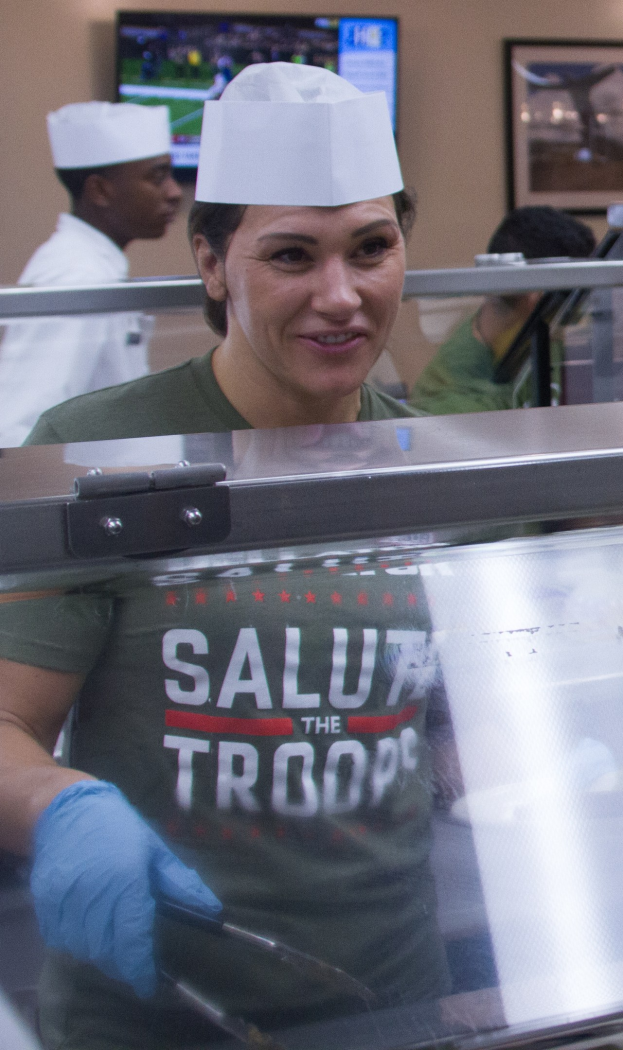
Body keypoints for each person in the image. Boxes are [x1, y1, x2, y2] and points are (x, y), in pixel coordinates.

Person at [0, 63, 449, 1050]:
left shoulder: (435, 462)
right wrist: (59, 804)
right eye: (291, 256)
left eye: (371, 248)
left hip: (398, 1000)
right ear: (211, 262)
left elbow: (443, 713)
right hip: (154, 1010)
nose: (342, 296)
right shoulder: (97, 448)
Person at [0, 102, 182, 447]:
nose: (174, 192)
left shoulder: (94, 266)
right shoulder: (77, 275)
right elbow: (21, 426)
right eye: (157, 177)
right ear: (99, 190)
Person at [409, 206, 596, 415]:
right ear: (535, 296)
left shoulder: (534, 337)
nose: (575, 317)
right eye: (573, 302)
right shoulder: (455, 405)